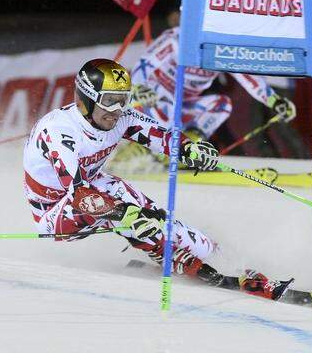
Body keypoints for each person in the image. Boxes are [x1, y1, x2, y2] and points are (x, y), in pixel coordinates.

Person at [23, 58, 293, 300]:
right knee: (128, 207)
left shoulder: (121, 118)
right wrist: (124, 214)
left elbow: (161, 136)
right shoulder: (60, 131)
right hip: (55, 214)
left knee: (157, 215)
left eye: (123, 99)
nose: (116, 110)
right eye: (109, 100)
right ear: (87, 99)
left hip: (95, 190)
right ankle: (167, 253)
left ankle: (226, 260)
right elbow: (79, 194)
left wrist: (190, 149)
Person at [129, 27, 297, 143]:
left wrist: (274, 101)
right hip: (153, 99)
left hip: (184, 104)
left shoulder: (221, 51)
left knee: (222, 105)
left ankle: (189, 146)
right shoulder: (176, 39)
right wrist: (139, 86)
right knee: (167, 104)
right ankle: (160, 146)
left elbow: (249, 79)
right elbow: (144, 64)